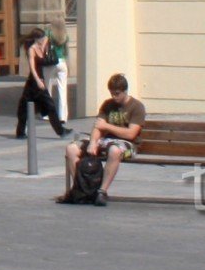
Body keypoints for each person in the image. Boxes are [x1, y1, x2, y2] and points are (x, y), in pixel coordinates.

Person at [59, 73, 146, 206]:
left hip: (128, 145)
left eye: (117, 93)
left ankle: (101, 191)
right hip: (105, 141)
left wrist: (107, 126)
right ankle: (82, 189)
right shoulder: (107, 105)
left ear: (125, 91)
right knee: (71, 149)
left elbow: (131, 134)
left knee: (114, 151)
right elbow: (98, 126)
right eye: (112, 93)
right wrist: (93, 142)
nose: (114, 97)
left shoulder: (136, 106)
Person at [13, 30, 70, 140]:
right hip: (34, 81)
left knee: (25, 107)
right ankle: (61, 131)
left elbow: (51, 40)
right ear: (37, 39)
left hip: (38, 81)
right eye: (42, 39)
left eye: (45, 38)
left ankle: (20, 132)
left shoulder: (44, 46)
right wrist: (38, 81)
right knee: (49, 105)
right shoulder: (32, 49)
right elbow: (32, 68)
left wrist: (45, 42)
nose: (45, 40)